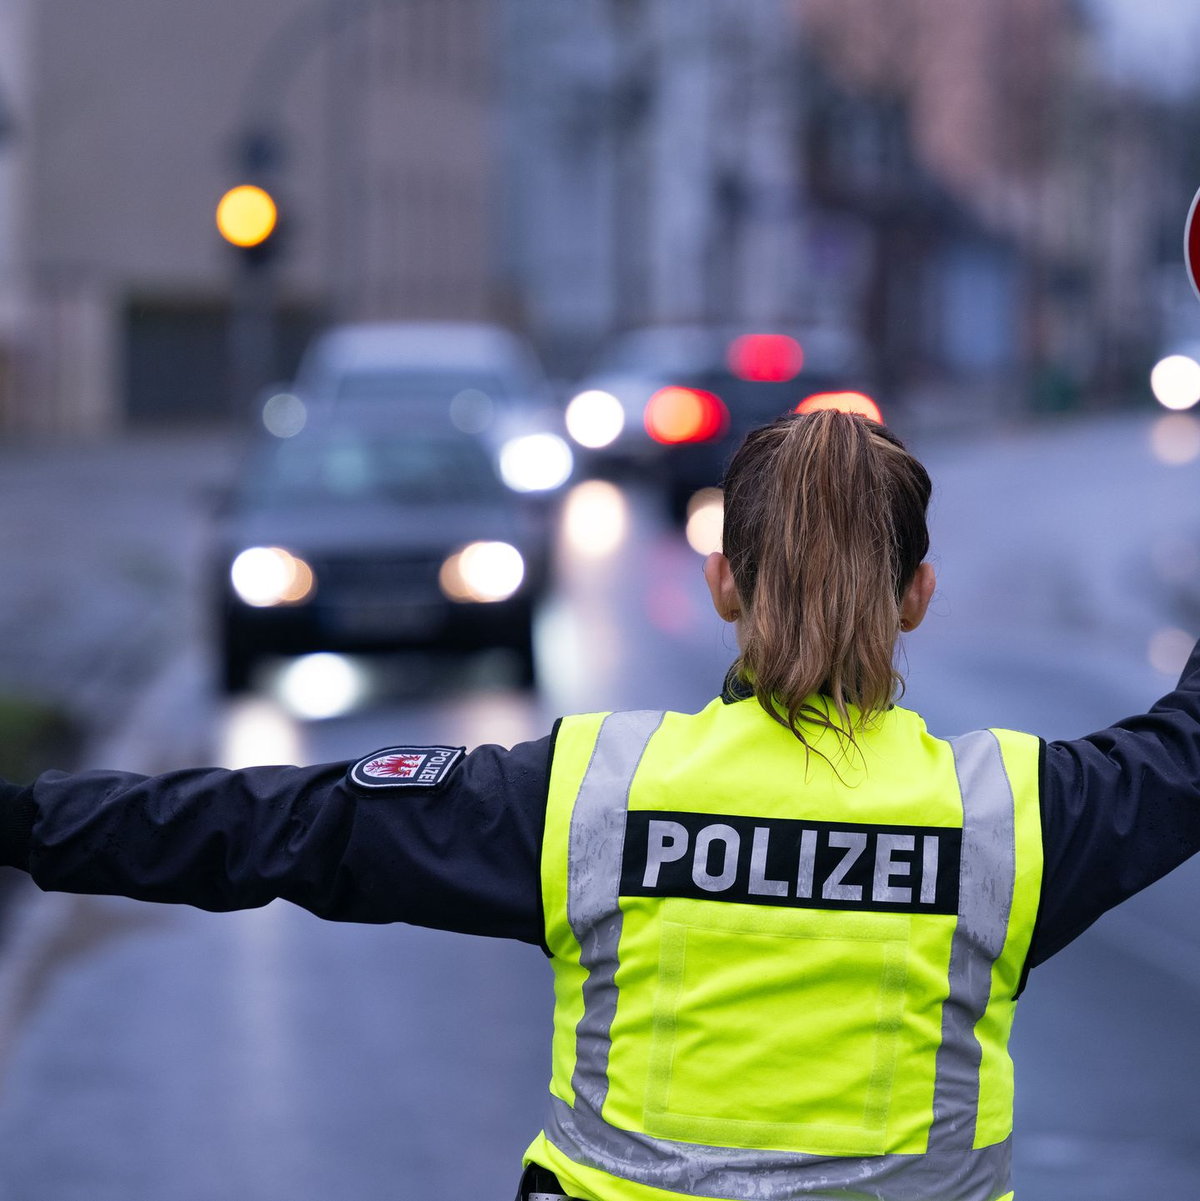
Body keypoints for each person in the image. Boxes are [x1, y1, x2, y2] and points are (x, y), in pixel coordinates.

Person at [2, 409, 1200, 1201]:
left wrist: (22, 820)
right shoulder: (1015, 818)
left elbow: (266, 826)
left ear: (722, 579)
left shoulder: (594, 796)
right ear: (920, 595)